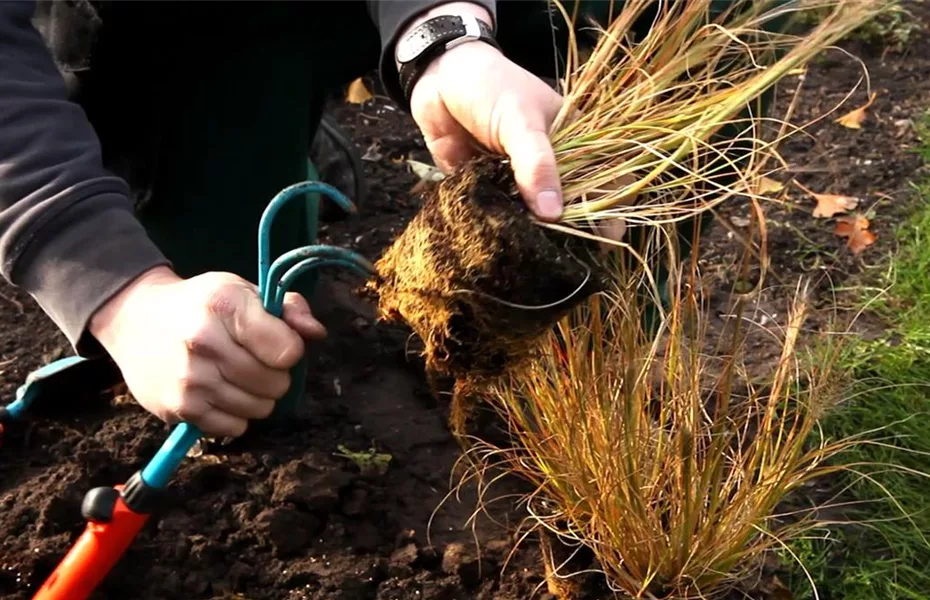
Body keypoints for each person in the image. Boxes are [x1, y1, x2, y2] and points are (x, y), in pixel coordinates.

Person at [1, 1, 624, 439]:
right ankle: (270, 127)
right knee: (233, 387)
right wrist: (119, 292)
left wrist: (439, 36)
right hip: (182, 26)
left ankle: (606, 393)